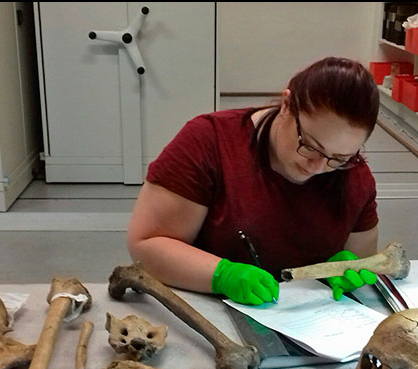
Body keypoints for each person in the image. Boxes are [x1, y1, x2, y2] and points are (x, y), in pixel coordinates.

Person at [127, 56, 381, 306]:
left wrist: (348, 270)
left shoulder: (353, 176)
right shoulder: (209, 142)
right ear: (287, 104)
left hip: (307, 324)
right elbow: (146, 246)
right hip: (206, 313)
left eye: (338, 157)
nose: (316, 166)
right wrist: (222, 276)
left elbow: (362, 260)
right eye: (310, 146)